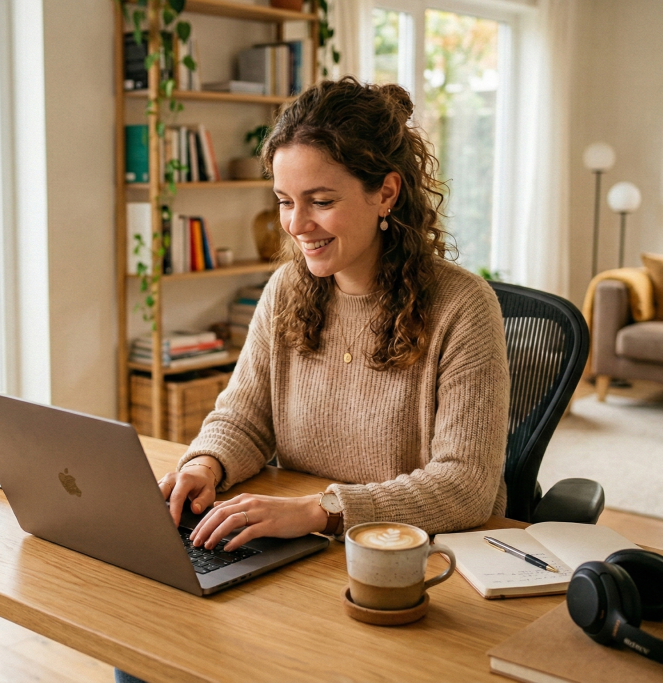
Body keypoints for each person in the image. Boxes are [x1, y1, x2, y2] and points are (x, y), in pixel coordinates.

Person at [155, 76, 510, 556]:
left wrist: (321, 510)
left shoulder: (463, 307)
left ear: (385, 193)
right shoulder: (285, 290)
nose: (297, 225)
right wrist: (205, 465)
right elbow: (244, 417)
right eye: (285, 201)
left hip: (414, 561)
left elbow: (466, 486)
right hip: (303, 549)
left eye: (321, 202)